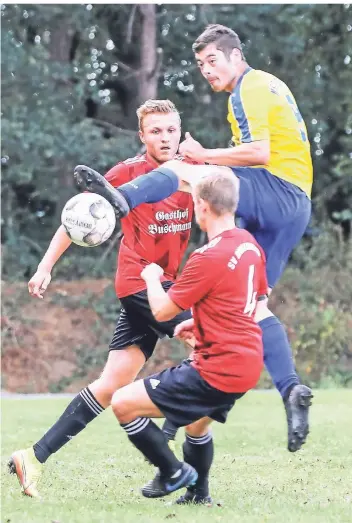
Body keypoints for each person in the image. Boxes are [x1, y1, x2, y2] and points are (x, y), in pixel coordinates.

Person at [74, 24, 313, 454]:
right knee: (255, 305)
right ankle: (291, 387)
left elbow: (259, 153)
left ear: (235, 55)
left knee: (183, 171)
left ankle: (121, 199)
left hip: (277, 187)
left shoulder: (248, 87)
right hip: (297, 207)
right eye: (200, 64)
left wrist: (206, 157)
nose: (206, 70)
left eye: (212, 61)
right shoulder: (272, 86)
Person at [8, 100, 197, 498]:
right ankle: (174, 449)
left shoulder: (192, 170)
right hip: (140, 286)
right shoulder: (126, 175)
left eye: (171, 130)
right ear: (142, 135)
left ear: (180, 131)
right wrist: (45, 267)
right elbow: (76, 218)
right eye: (156, 131)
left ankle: (33, 457)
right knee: (211, 345)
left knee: (110, 386)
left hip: (166, 287)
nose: (164, 138)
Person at [110, 169, 267, 501]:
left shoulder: (208, 256)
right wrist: (199, 322)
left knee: (123, 404)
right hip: (248, 364)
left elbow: (163, 311)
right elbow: (248, 301)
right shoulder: (249, 245)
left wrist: (151, 277)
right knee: (196, 426)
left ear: (203, 206)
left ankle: (173, 472)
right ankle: (199, 495)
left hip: (217, 368)